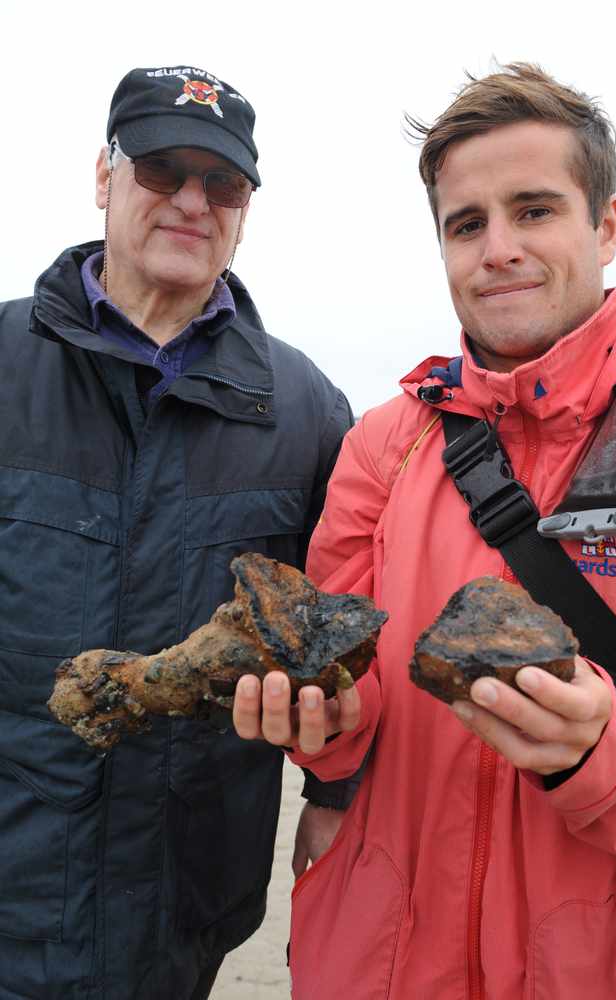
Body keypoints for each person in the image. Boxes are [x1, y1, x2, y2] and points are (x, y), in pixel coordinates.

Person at [233, 63, 616, 998]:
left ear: (608, 225)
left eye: (534, 209)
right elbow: (347, 716)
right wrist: (328, 726)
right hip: (379, 958)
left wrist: (610, 747)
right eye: (465, 223)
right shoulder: (383, 445)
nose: (497, 247)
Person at [0, 64, 354, 1000]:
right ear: (104, 175)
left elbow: (350, 637)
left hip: (180, 910)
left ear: (244, 208)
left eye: (223, 183)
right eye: (162, 170)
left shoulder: (308, 413)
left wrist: (335, 798)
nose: (192, 201)